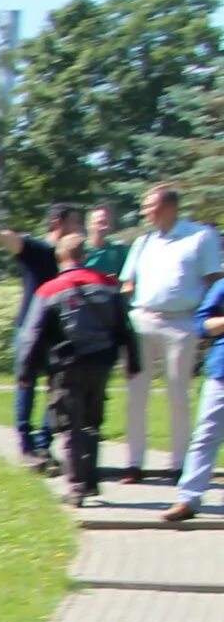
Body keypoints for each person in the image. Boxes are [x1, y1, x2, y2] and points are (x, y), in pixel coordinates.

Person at [17, 234, 141, 505]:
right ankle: (92, 481)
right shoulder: (108, 285)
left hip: (66, 366)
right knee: (92, 423)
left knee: (69, 426)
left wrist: (26, 373)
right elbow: (125, 326)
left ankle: (76, 488)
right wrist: (133, 361)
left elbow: (33, 334)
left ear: (60, 258)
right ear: (83, 256)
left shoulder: (49, 290)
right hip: (101, 363)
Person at [123, 185, 223, 486]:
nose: (144, 212)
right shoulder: (143, 242)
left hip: (180, 323)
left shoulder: (199, 237)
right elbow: (129, 282)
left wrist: (205, 321)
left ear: (167, 207)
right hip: (142, 320)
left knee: (178, 395)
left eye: (148, 206)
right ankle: (134, 463)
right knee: (135, 395)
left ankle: (179, 464)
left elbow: (213, 281)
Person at [0, 202, 81, 462]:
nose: (80, 228)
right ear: (58, 224)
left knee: (58, 389)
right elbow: (0, 237)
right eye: (75, 223)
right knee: (26, 384)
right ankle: (26, 444)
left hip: (61, 331)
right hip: (30, 329)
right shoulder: (36, 249)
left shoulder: (73, 257)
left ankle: (44, 442)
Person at [158, 265, 224, 524]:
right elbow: (201, 324)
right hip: (221, 372)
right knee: (205, 435)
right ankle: (188, 498)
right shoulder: (221, 286)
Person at [83, 203, 127, 285]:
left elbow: (126, 280)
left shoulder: (117, 250)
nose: (105, 227)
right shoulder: (78, 251)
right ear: (88, 224)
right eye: (100, 223)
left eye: (107, 223)